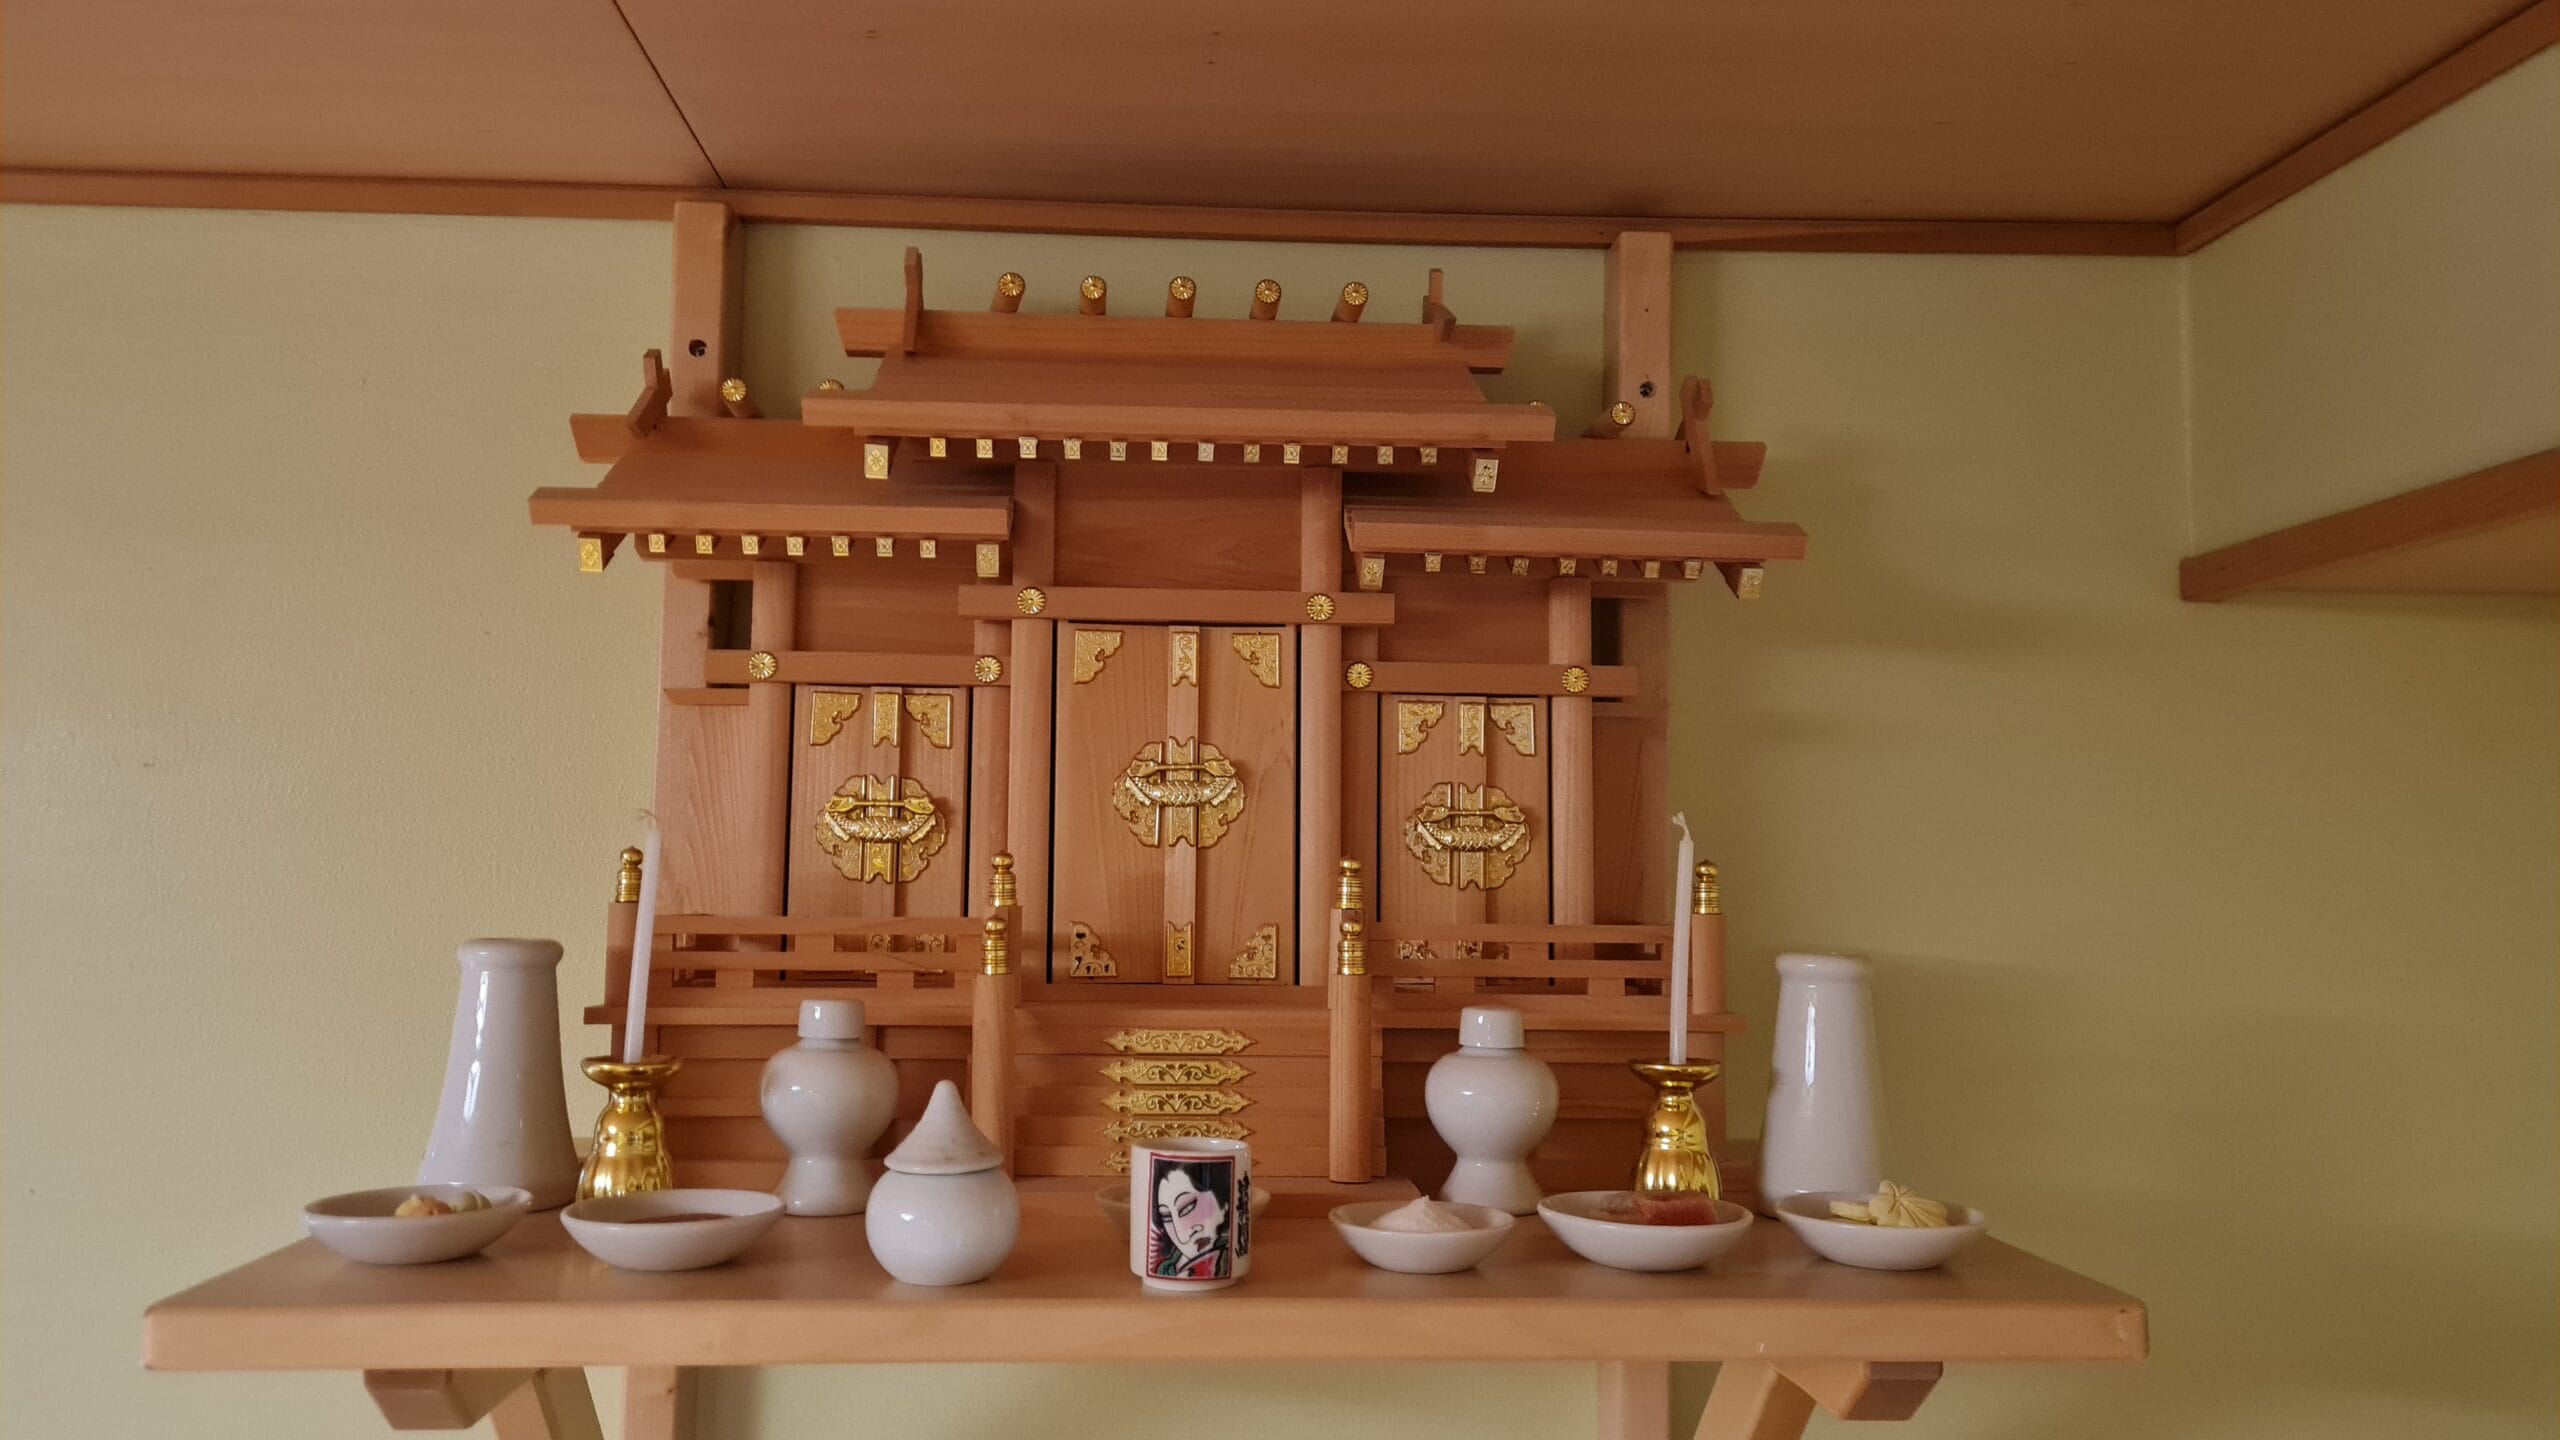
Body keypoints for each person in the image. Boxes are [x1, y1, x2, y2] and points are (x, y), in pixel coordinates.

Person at [1148, 1159, 1232, 1279]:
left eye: (1187, 1208)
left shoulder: (1228, 1254)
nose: (1182, 1236)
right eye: (1167, 1217)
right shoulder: (1165, 1268)